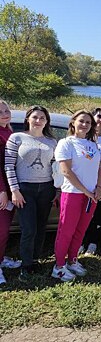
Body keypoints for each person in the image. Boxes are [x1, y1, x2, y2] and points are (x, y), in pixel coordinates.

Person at [5, 105, 57, 282]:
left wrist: (56, 190)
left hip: (46, 188)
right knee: (29, 229)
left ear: (46, 121)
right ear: (28, 118)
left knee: (41, 227)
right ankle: (26, 266)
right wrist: (15, 190)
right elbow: (9, 166)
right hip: (25, 189)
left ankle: (35, 260)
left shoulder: (51, 141)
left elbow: (55, 168)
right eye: (35, 117)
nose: (38, 120)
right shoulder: (17, 137)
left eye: (42, 118)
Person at [52, 110, 101, 281]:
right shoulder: (66, 143)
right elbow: (65, 171)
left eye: (88, 122)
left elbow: (99, 167)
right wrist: (86, 191)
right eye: (81, 121)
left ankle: (72, 260)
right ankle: (59, 266)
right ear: (73, 122)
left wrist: (98, 187)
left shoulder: (93, 145)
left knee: (81, 230)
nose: (85, 125)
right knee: (66, 230)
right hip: (72, 193)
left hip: (91, 196)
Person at [82, 108, 101, 256]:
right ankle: (82, 241)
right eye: (99, 116)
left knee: (98, 214)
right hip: (84, 182)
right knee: (83, 214)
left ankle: (93, 242)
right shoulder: (83, 136)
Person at [0, 100, 20, 284]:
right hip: (2, 190)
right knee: (1, 229)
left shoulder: (9, 131)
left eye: (6, 110)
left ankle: (1, 258)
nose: (5, 113)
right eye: (0, 112)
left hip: (10, 188)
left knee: (5, 230)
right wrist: (2, 191)